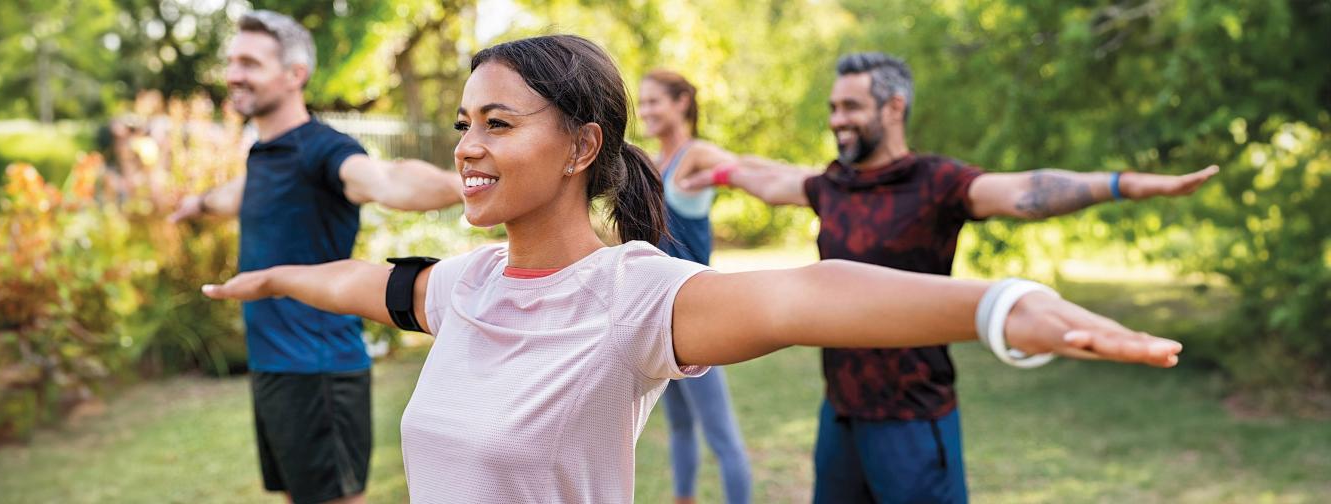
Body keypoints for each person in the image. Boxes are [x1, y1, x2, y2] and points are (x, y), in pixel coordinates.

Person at [201, 35, 1184, 503]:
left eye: (498, 123)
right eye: (464, 124)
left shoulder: (633, 296)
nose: (467, 144)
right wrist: (279, 278)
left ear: (583, 148)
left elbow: (809, 294)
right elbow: (366, 282)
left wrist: (998, 304)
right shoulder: (467, 288)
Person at [680, 52, 1218, 504]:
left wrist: (1127, 184)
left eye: (850, 107)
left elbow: (1029, 192)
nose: (836, 119)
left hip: (913, 417)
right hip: (841, 414)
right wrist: (708, 170)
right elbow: (766, 176)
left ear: (895, 107)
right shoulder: (831, 184)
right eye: (832, 108)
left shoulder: (937, 182)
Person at [167, 10, 462, 504]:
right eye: (232, 61)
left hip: (318, 370)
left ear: (294, 74)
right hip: (275, 367)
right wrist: (195, 205)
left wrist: (465, 186)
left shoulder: (324, 150)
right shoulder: (265, 154)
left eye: (250, 63)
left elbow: (384, 180)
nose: (234, 73)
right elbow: (238, 195)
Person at [637, 69, 752, 504]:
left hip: (698, 314)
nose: (645, 110)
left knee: (721, 435)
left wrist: (719, 177)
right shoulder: (652, 163)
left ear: (682, 101)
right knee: (681, 427)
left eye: (654, 102)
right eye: (643, 102)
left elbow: (744, 169)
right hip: (658, 316)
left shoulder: (697, 154)